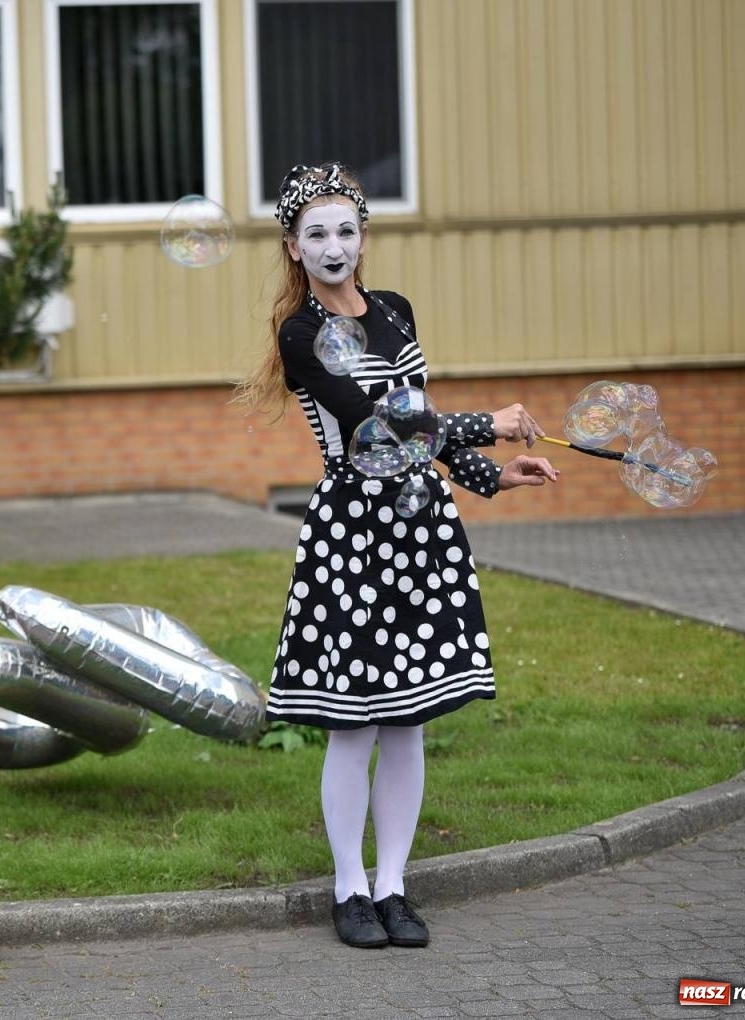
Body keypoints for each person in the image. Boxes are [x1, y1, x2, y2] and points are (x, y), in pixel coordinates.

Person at [233, 162, 559, 950]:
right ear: (293, 247)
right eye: (317, 234)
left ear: (365, 237)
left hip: (419, 523)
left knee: (408, 721)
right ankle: (348, 889)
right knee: (355, 724)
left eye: (346, 229)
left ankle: (395, 887)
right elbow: (375, 424)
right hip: (353, 529)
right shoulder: (301, 334)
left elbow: (417, 423)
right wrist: (490, 423)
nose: (334, 244)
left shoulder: (396, 312)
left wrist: (487, 477)